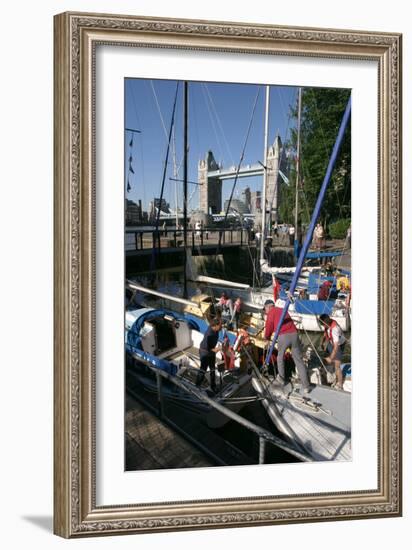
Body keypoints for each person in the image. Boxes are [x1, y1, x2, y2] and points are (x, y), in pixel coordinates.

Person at [263, 299, 312, 393]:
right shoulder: (282, 310)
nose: (265, 311)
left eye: (265, 309)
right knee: (298, 360)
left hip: (283, 335)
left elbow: (269, 326)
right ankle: (306, 386)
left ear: (268, 307)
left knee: (280, 357)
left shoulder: (271, 312)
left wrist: (266, 337)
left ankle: (281, 379)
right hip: (294, 334)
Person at [318, 314, 346, 390]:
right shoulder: (328, 324)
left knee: (337, 365)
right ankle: (327, 372)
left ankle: (340, 384)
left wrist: (331, 357)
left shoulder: (335, 330)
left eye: (322, 325)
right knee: (324, 357)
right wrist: (322, 342)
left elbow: (336, 346)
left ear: (325, 323)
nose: (322, 326)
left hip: (338, 345)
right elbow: (326, 332)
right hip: (331, 342)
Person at [196, 317, 222, 392]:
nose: (221, 328)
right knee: (203, 370)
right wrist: (218, 349)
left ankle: (213, 386)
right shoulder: (208, 334)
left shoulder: (216, 330)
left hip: (211, 351)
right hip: (205, 352)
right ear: (215, 325)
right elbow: (207, 349)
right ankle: (197, 385)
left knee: (212, 369)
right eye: (220, 326)